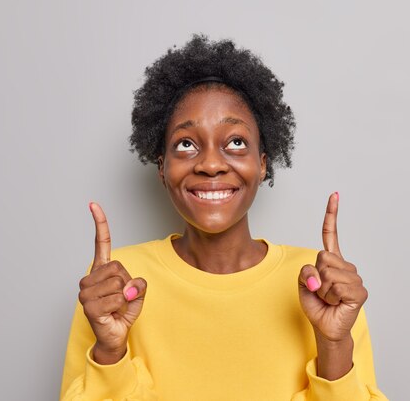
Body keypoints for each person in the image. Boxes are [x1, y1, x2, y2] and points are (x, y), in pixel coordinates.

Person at [60, 35, 388, 401]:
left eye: (235, 142)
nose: (211, 164)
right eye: (186, 144)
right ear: (162, 168)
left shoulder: (325, 283)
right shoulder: (114, 283)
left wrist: (334, 345)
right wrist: (109, 353)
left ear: (262, 164)